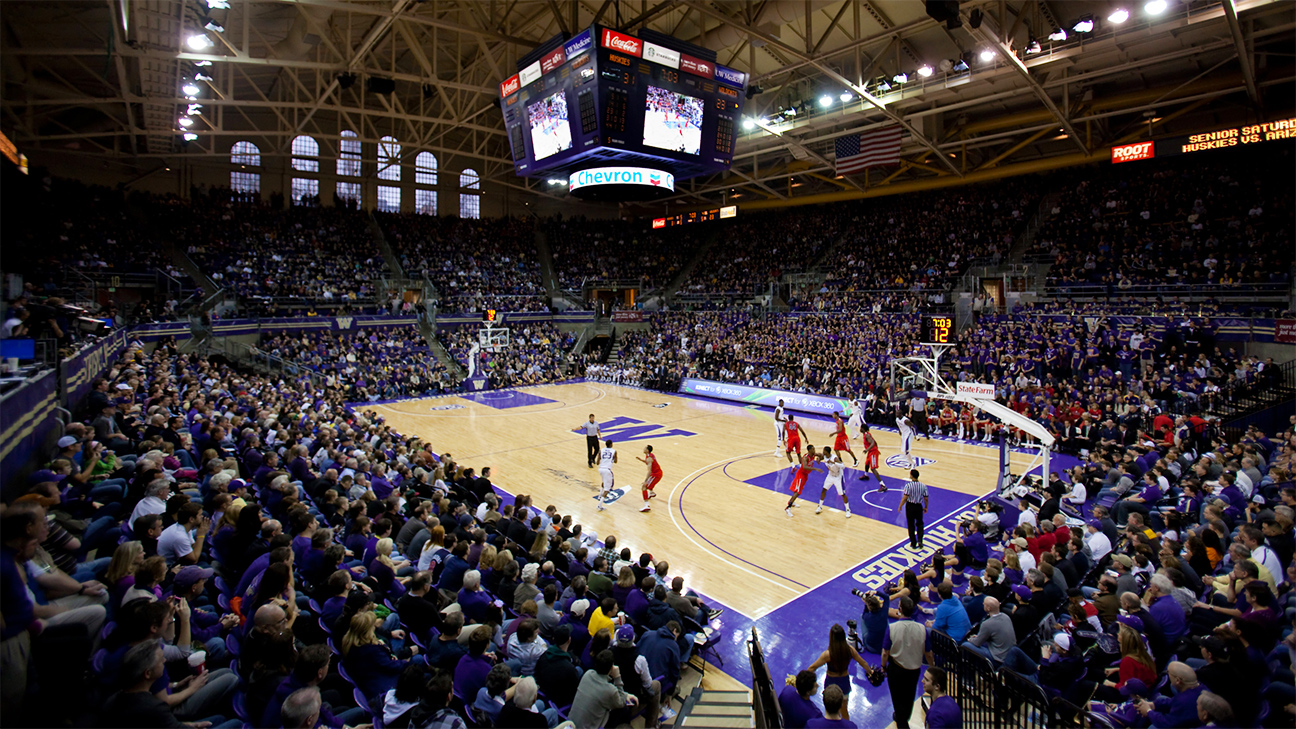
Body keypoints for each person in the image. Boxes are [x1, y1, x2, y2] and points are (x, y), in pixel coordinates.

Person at [805, 624, 873, 723]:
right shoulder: (850, 650)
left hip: (830, 684)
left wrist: (803, 681)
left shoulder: (827, 654)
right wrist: (871, 672)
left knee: (829, 711)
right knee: (844, 711)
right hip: (844, 684)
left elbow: (812, 667)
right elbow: (863, 662)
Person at [882, 597, 932, 729]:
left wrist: (883, 666)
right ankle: (903, 717)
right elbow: (928, 653)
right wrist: (932, 667)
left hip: (896, 668)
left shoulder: (892, 627)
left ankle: (902, 721)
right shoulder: (922, 629)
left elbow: (885, 652)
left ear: (900, 610)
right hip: (914, 669)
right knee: (910, 695)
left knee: (897, 696)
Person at [569, 649, 634, 729]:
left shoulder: (588, 674)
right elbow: (620, 703)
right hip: (590, 726)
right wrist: (617, 677)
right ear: (611, 668)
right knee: (624, 710)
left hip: (570, 724)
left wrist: (625, 694)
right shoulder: (610, 690)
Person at [786, 445, 822, 517]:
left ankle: (792, 502)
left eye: (814, 448)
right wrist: (815, 469)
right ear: (809, 450)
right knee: (798, 491)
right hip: (801, 475)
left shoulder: (813, 454)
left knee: (799, 490)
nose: (814, 450)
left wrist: (819, 459)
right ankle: (788, 508)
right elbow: (805, 466)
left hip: (805, 475)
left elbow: (822, 455)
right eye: (813, 449)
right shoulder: (805, 458)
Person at [816, 452, 852, 518]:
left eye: (824, 451)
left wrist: (834, 463)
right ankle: (820, 506)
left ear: (827, 453)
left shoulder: (834, 458)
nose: (823, 452)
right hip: (830, 475)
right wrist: (818, 459)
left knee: (842, 494)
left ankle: (848, 510)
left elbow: (843, 466)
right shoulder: (825, 456)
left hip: (838, 477)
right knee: (824, 490)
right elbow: (819, 456)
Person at [903, 469, 929, 551]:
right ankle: (920, 540)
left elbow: (905, 497)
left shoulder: (908, 486)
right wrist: (926, 507)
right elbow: (926, 498)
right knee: (920, 524)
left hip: (910, 506)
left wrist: (900, 506)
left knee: (911, 525)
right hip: (918, 506)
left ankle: (913, 543)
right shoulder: (923, 486)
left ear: (911, 476)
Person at [636, 444, 663, 513]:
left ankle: (646, 505)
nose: (643, 449)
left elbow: (649, 470)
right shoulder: (650, 455)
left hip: (656, 475)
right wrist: (641, 460)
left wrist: (645, 480)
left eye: (645, 448)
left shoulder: (649, 458)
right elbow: (649, 462)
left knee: (644, 487)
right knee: (650, 483)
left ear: (647, 450)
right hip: (657, 472)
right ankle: (651, 493)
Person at [596, 439, 617, 512]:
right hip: (607, 470)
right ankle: (599, 505)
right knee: (607, 489)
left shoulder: (601, 450)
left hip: (601, 469)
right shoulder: (614, 451)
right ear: (611, 444)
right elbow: (616, 461)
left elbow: (597, 462)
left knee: (603, 481)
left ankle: (599, 496)